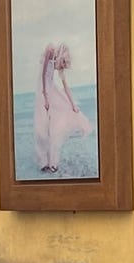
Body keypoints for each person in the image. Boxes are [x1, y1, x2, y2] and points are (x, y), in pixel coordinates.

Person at [34, 43, 92, 173]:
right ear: (60, 58)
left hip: (51, 90)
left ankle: (52, 162)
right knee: (41, 129)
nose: (61, 68)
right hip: (42, 90)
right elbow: (43, 75)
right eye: (62, 64)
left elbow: (66, 87)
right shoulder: (49, 49)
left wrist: (73, 105)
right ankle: (43, 162)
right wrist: (45, 97)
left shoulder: (59, 66)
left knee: (55, 128)